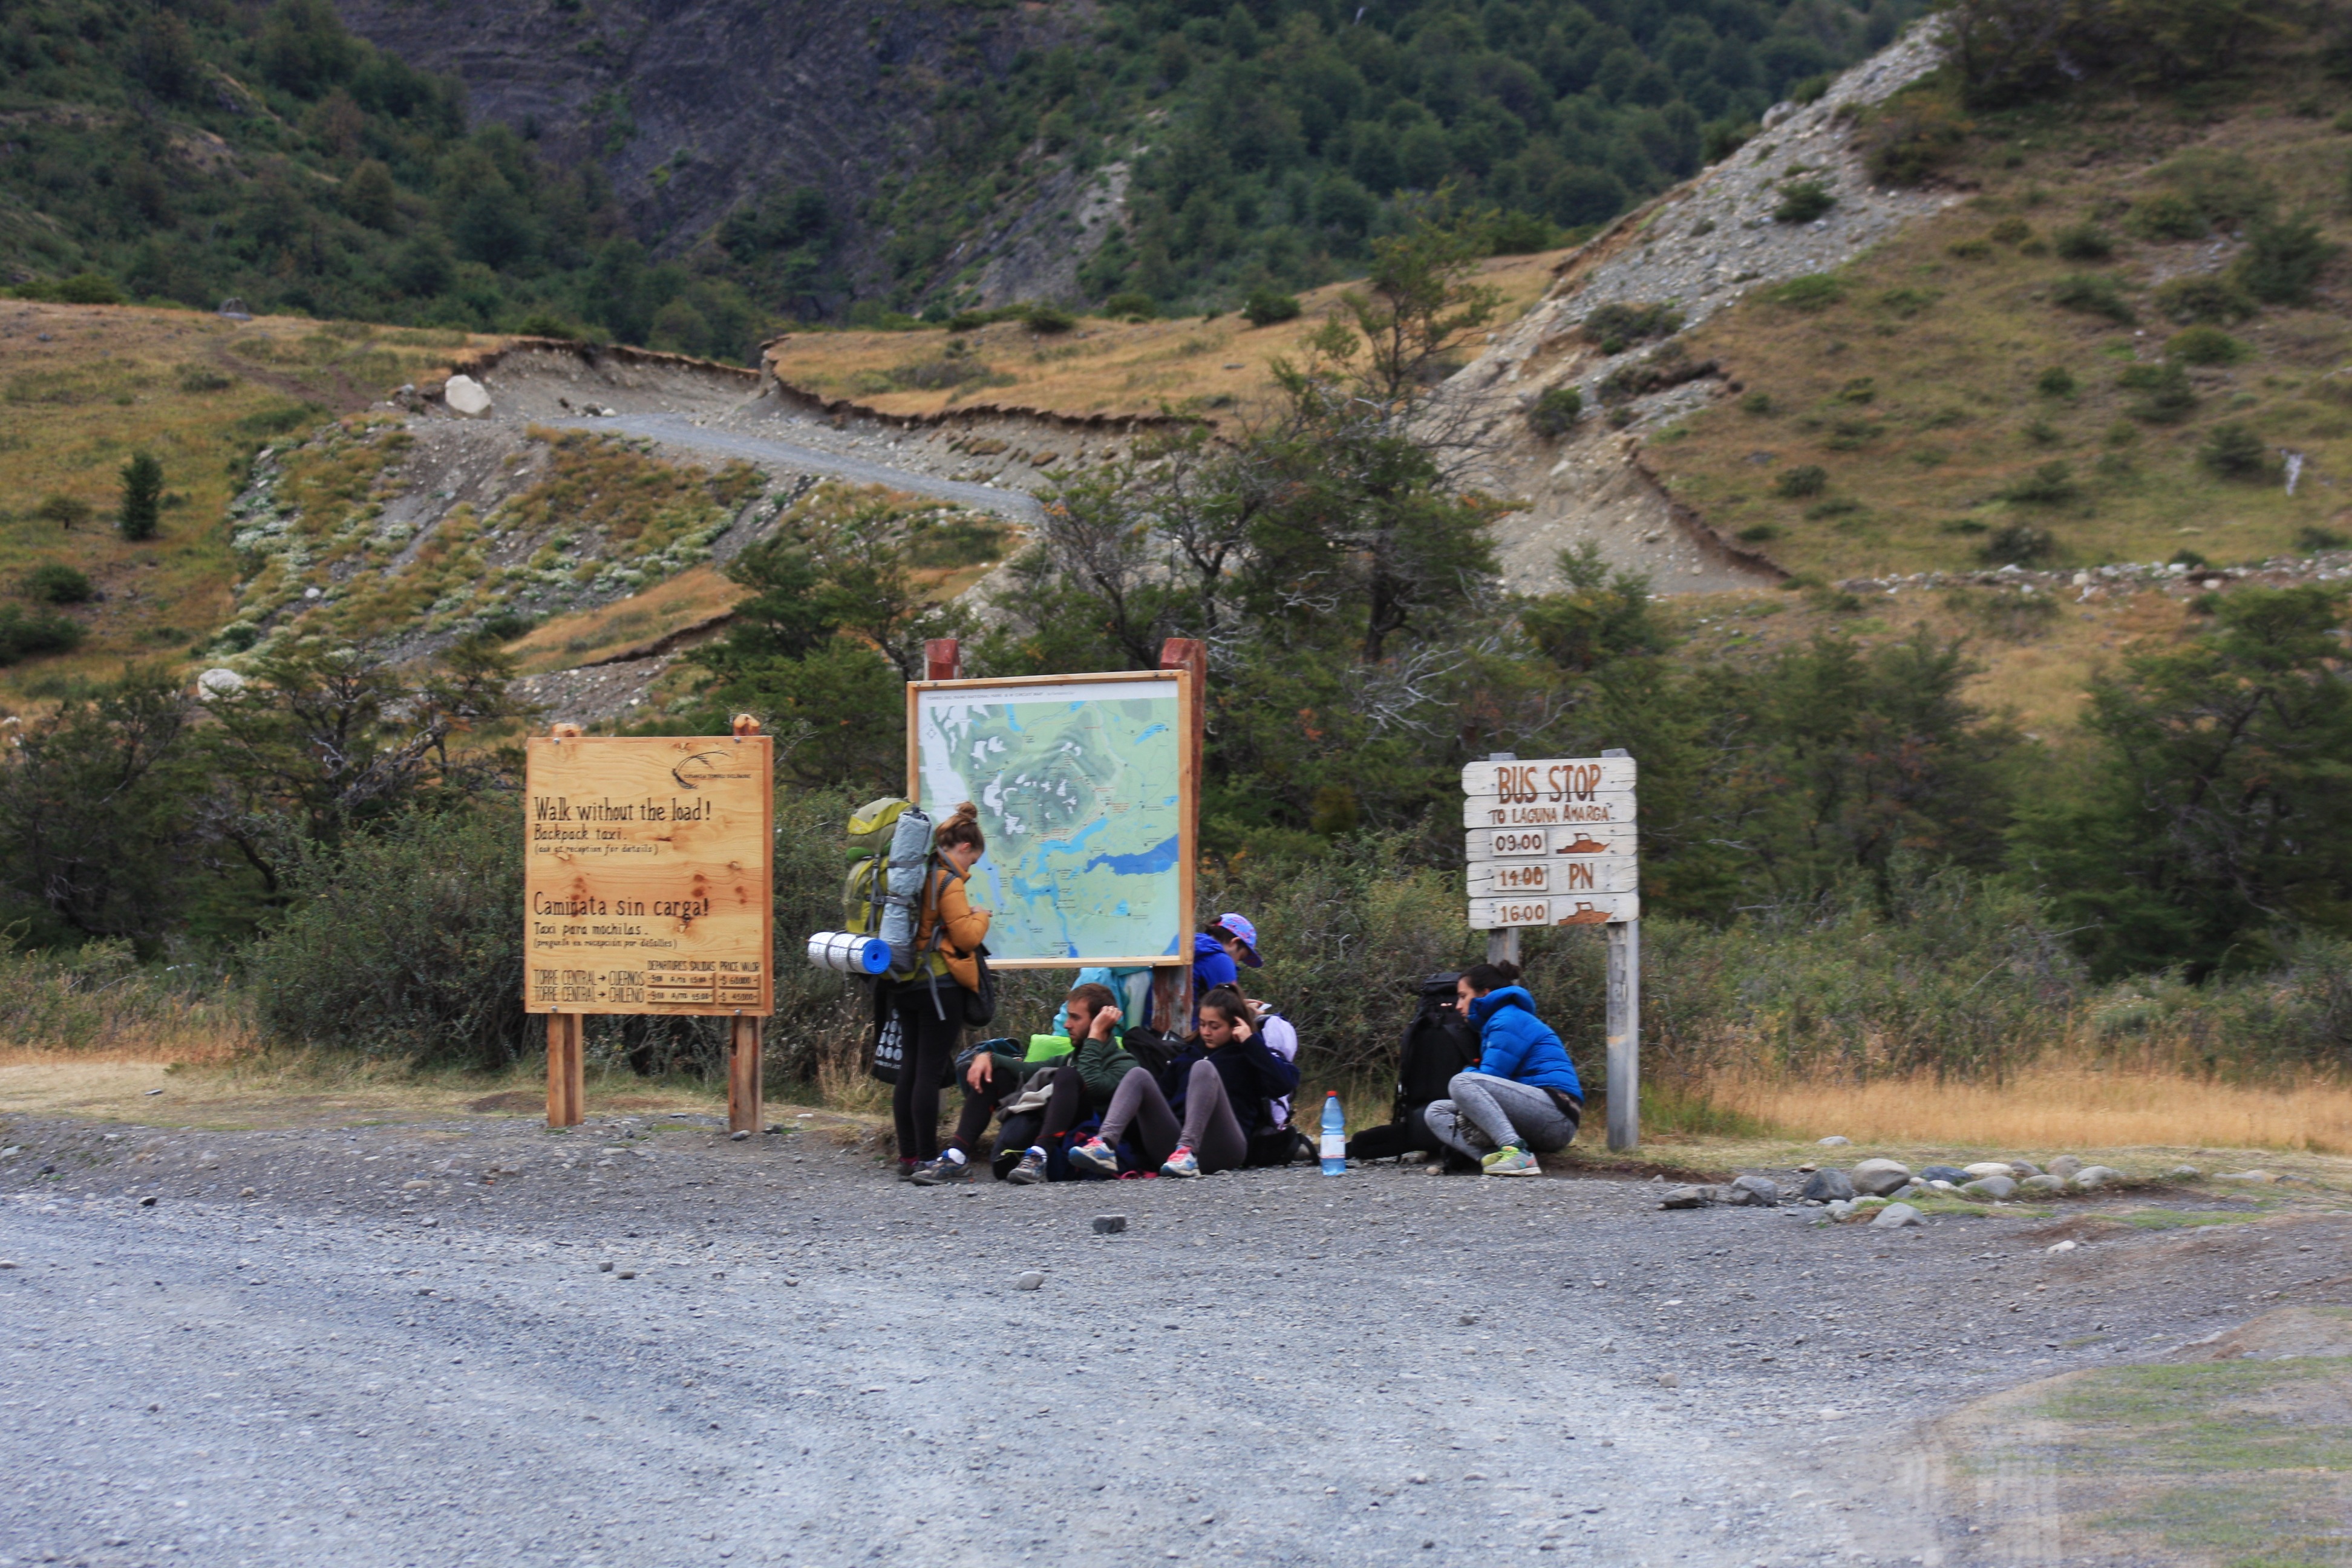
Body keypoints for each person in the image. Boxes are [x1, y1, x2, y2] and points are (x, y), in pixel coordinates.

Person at [910, 982, 1138, 1185]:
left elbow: (1092, 1084)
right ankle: (957, 1157)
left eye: (1075, 1018)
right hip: (1043, 1143)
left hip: (1081, 1146)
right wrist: (987, 1056)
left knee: (1067, 1075)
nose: (1067, 1024)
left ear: (1100, 1022)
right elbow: (1026, 1070)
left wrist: (1095, 1036)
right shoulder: (1071, 1058)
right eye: (1068, 1016)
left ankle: (1039, 1156)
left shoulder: (1125, 1064)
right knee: (996, 1074)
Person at [1070, 987, 1298, 1179]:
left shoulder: (1247, 1055)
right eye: (1203, 1024)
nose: (1206, 1032)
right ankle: (1105, 1144)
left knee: (1204, 1069)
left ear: (1234, 1026)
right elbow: (1161, 1099)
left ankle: (1188, 1151)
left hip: (1226, 1149)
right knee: (1139, 1075)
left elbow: (1284, 1084)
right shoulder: (1189, 1056)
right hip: (1172, 1153)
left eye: (1215, 1026)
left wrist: (1251, 1042)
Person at [890, 803, 991, 1177]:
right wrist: (981, 916)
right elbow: (965, 936)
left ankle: (908, 1157)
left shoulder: (917, 873)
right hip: (939, 986)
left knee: (911, 1069)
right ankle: (928, 1158)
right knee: (929, 1074)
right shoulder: (947, 881)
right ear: (964, 846)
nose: (970, 869)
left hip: (905, 982)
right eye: (974, 861)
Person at [1422, 961, 1581, 1177]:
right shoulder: (1495, 1022)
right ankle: (1491, 1159)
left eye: (1462, 996)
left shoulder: (1508, 1019)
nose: (1458, 1006)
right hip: (1538, 1116)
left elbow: (1490, 1078)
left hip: (1557, 1116)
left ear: (1484, 994)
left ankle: (1517, 1154)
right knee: (1436, 1111)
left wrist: (1468, 1072)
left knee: (1461, 1082)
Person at [1191, 912, 1261, 1017]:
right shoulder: (1220, 960)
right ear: (1234, 942)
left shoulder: (1190, 948)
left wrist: (1239, 1004)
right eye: (1240, 957)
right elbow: (1231, 1015)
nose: (1235, 963)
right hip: (1195, 1030)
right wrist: (1249, 1013)